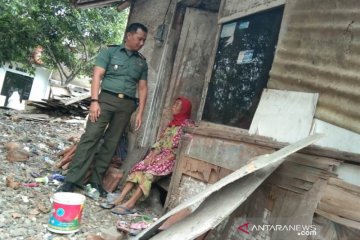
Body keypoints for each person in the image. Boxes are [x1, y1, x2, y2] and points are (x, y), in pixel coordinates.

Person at [57, 23, 149, 196]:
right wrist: (94, 101)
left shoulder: (141, 62)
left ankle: (95, 182)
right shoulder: (109, 52)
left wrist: (140, 112)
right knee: (90, 137)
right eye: (139, 39)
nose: (142, 43)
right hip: (105, 100)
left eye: (144, 40)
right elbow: (97, 75)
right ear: (129, 36)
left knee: (111, 143)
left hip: (127, 105)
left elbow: (143, 88)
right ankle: (72, 180)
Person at [102, 97, 193, 215]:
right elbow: (160, 143)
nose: (173, 106)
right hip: (160, 155)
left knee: (149, 174)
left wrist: (164, 159)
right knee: (139, 167)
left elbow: (182, 148)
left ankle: (130, 203)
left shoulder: (187, 126)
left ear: (184, 109)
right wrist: (151, 156)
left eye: (177, 104)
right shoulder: (172, 124)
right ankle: (120, 198)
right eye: (174, 103)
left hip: (171, 159)